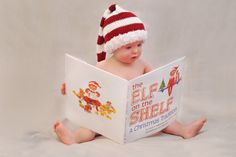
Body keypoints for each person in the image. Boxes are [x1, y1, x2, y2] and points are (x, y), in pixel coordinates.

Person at [54, 4, 207, 145]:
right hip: (110, 116)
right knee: (90, 129)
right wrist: (70, 86)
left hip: (138, 116)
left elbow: (157, 79)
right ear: (114, 47)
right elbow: (86, 83)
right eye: (128, 47)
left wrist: (170, 82)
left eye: (139, 45)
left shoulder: (142, 63)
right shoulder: (103, 65)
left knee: (163, 121)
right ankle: (73, 137)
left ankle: (183, 131)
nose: (136, 51)